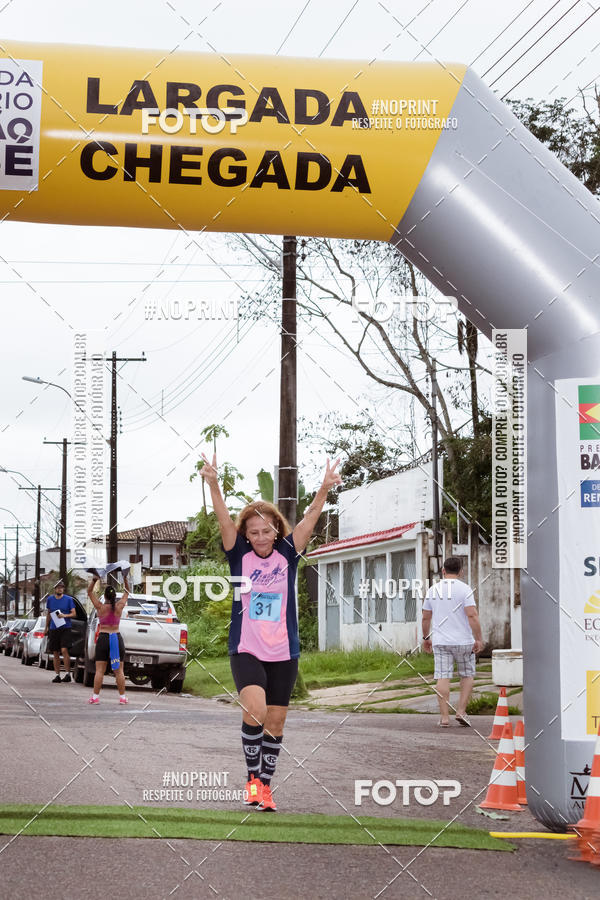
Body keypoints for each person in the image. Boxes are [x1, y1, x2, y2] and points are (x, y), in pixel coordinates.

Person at [201, 453, 341, 811]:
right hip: (247, 647)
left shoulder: (288, 552)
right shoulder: (239, 555)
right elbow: (223, 519)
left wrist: (324, 488)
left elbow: (310, 517)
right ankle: (252, 780)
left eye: (266, 531)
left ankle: (264, 786)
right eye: (254, 532)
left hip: (283, 650)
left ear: (277, 530)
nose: (261, 538)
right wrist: (213, 483)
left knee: (276, 722)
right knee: (256, 710)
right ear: (245, 535)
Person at [421, 556, 484, 727]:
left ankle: (444, 718)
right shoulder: (465, 589)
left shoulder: (433, 590)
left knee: (442, 677)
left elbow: (426, 617)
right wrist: (479, 638)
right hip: (464, 641)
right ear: (461, 572)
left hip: (441, 642)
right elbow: (472, 615)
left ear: (443, 571)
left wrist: (426, 638)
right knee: (467, 675)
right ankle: (461, 711)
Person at [86, 572, 130, 705]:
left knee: (100, 670)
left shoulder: (100, 607)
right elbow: (127, 592)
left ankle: (95, 697)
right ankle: (122, 698)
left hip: (103, 638)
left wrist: (94, 580)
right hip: (116, 638)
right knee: (119, 670)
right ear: (114, 596)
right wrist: (125, 578)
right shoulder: (119, 606)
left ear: (105, 596)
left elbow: (89, 592)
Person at [45, 581, 77, 683]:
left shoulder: (68, 599)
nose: (60, 589)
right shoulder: (50, 599)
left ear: (63, 589)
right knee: (55, 652)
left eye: (61, 587)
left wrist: (65, 615)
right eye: (58, 587)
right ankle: (57, 675)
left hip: (65, 627)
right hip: (54, 628)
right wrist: (46, 627)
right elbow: (49, 614)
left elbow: (74, 613)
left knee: (64, 650)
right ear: (55, 589)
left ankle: (67, 674)